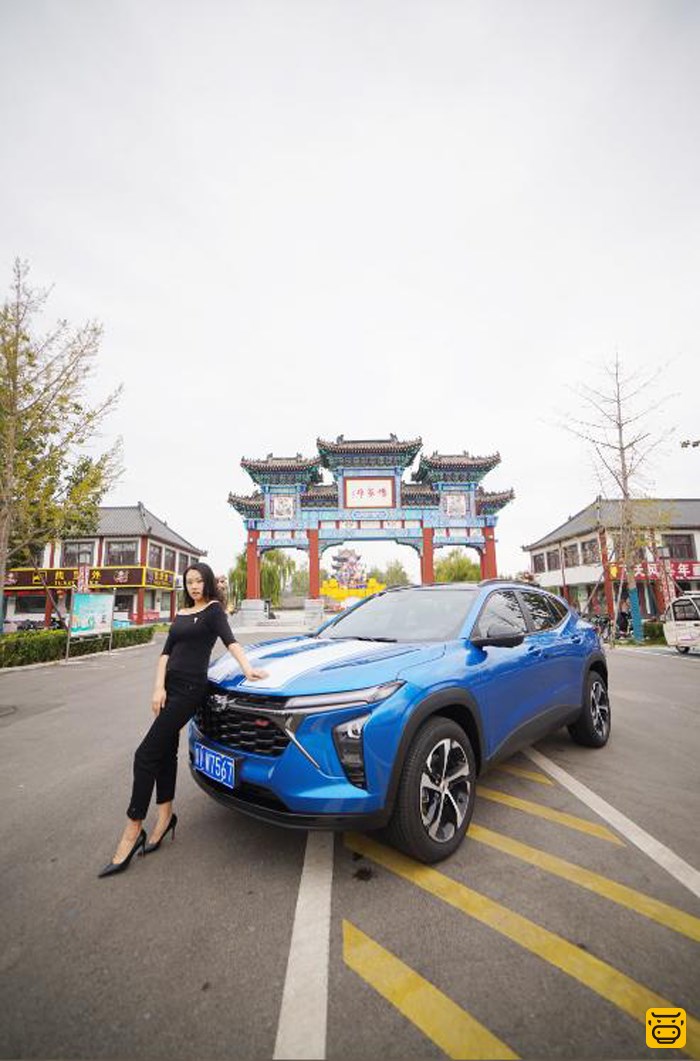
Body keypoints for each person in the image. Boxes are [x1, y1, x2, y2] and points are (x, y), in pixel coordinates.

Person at [98, 562, 267, 878]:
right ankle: (165, 817)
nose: (194, 586)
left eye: (199, 581)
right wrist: (158, 687)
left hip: (190, 690)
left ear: (207, 582)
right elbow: (165, 653)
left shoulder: (214, 611)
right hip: (169, 688)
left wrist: (248, 669)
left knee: (144, 755)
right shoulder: (183, 613)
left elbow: (231, 642)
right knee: (164, 752)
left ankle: (133, 830)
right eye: (189, 582)